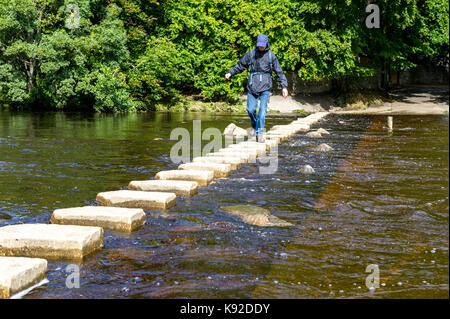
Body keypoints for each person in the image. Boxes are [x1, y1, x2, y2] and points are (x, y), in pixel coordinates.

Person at [225, 34, 288, 142]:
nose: (261, 47)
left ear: (266, 44)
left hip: (265, 87)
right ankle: (254, 124)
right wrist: (231, 72)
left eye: (263, 45)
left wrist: (284, 87)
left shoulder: (271, 56)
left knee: (262, 112)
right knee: (250, 110)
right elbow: (241, 65)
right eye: (259, 45)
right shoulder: (251, 54)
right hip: (252, 86)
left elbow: (279, 72)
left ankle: (259, 134)